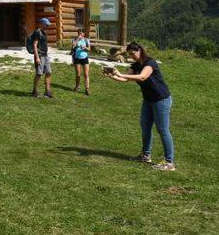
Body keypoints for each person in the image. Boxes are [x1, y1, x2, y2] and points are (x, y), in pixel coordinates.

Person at [104, 42, 176, 171]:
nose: (132, 56)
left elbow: (142, 77)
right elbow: (126, 79)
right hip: (148, 100)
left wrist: (120, 74)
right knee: (145, 127)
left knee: (162, 130)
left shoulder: (150, 63)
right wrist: (113, 76)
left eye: (133, 53)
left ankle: (169, 162)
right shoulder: (136, 65)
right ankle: (145, 155)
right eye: (130, 54)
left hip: (161, 100)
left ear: (140, 51)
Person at [31, 18, 53, 98]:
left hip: (45, 55)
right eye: (46, 24)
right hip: (40, 55)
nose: (48, 25)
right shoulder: (37, 32)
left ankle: (47, 92)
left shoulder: (44, 32)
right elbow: (34, 45)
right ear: (42, 23)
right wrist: (37, 57)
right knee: (39, 74)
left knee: (48, 72)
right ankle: (34, 91)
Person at [71, 28, 91, 94]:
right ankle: (77, 86)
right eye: (79, 33)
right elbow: (73, 47)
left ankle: (87, 89)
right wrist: (77, 40)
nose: (80, 34)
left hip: (85, 58)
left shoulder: (86, 40)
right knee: (78, 74)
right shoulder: (74, 39)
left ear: (84, 34)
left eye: (81, 33)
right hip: (77, 58)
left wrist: (84, 47)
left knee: (86, 74)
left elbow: (89, 50)